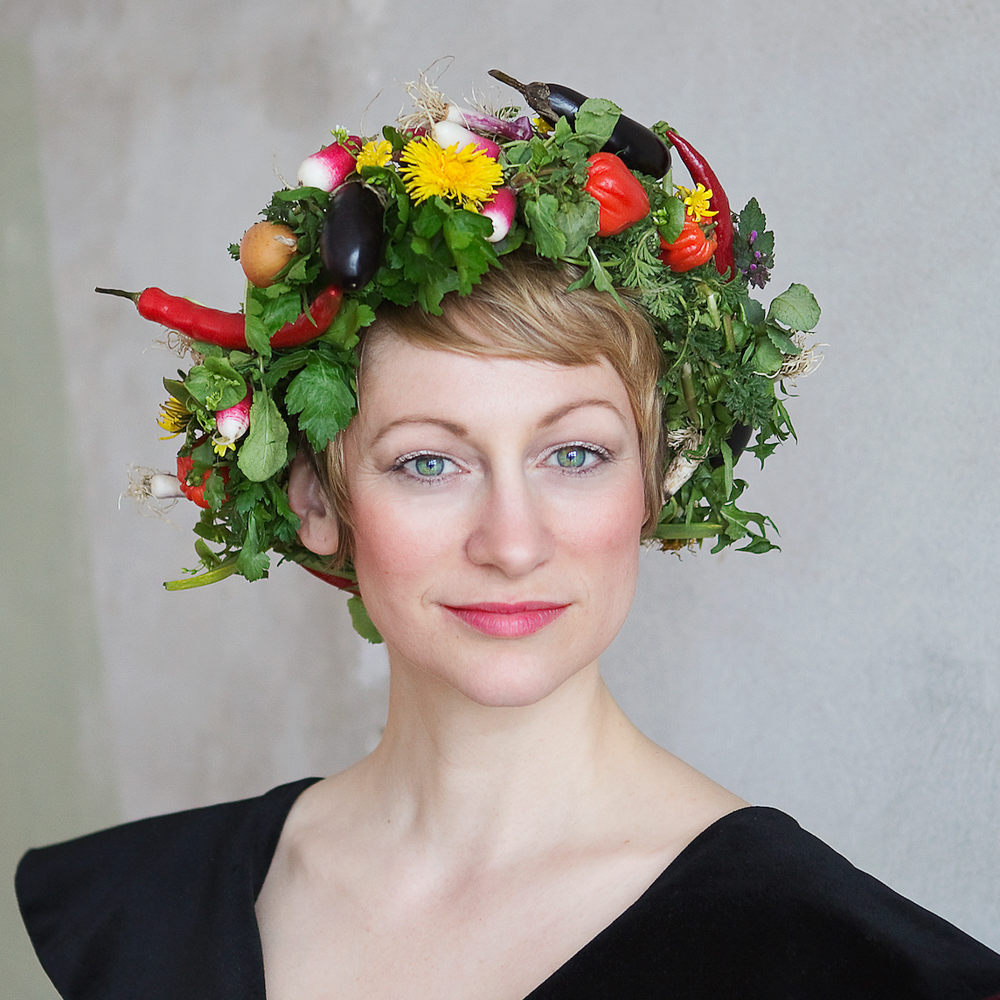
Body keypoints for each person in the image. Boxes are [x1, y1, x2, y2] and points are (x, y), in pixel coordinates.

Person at [16, 71, 1000, 1000]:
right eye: (428, 463)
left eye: (574, 454)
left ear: (658, 479)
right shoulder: (138, 913)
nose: (512, 542)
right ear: (317, 499)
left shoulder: (851, 961)